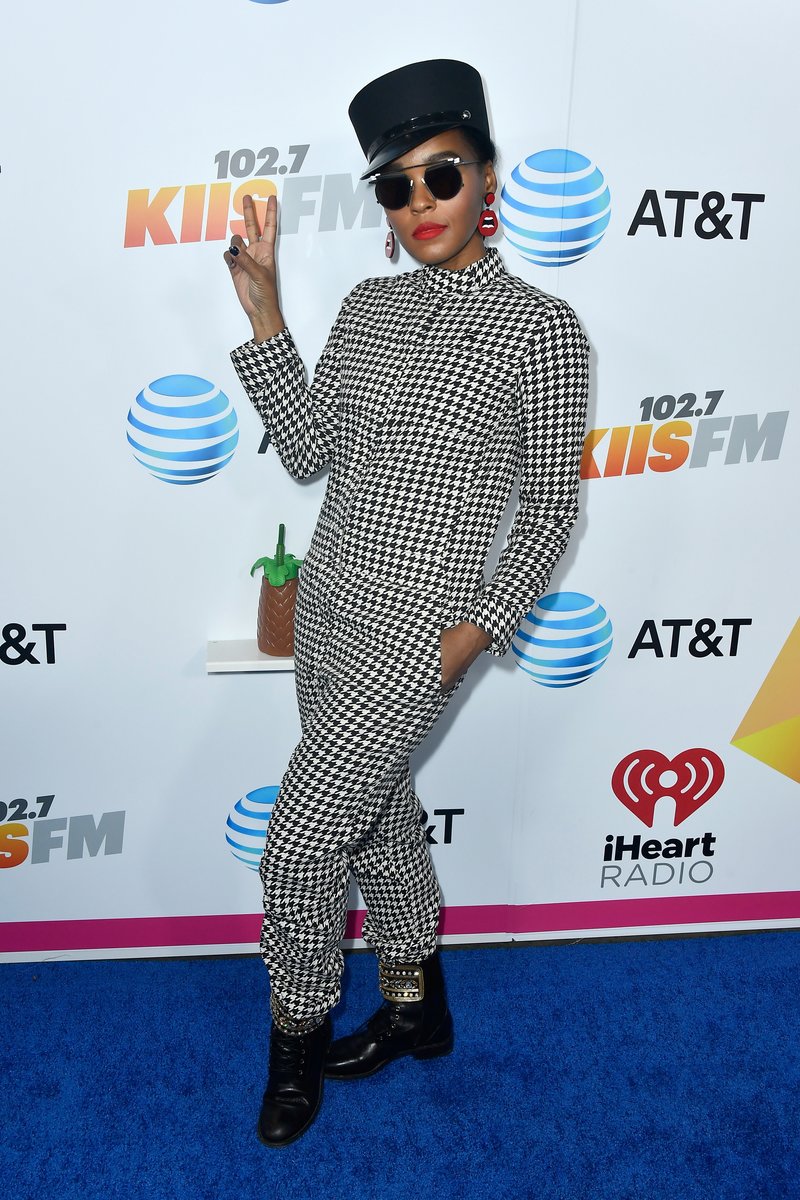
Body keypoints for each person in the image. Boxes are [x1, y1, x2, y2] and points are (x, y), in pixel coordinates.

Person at [224, 59, 590, 1148]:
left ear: (486, 182)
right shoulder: (366, 307)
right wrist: (265, 314)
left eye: (442, 176)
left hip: (418, 634)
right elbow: (309, 452)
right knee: (377, 819)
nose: (421, 202)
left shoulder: (542, 329)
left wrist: (472, 632)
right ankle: (416, 1007)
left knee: (297, 847)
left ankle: (294, 1043)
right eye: (398, 186)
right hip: (330, 610)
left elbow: (550, 514)